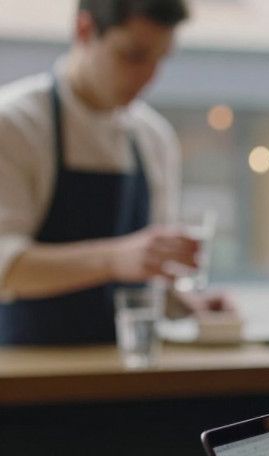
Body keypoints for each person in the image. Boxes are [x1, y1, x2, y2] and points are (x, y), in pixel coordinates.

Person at [0, 0, 224, 345]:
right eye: (133, 55)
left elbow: (148, 279)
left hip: (127, 378)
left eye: (159, 59)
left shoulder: (155, 139)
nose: (148, 75)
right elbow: (6, 267)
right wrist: (116, 259)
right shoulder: (14, 124)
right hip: (30, 379)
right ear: (85, 30)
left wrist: (187, 307)